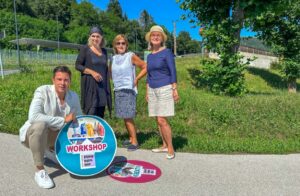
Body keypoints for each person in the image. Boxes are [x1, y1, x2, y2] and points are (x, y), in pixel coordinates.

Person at [19, 66, 82, 189]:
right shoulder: (42, 91)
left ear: (70, 81)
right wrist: (63, 119)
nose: (62, 83)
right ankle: (39, 170)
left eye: (66, 80)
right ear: (53, 80)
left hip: (55, 136)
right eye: (59, 79)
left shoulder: (73, 96)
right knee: (39, 125)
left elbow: (79, 118)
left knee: (72, 161)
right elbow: (33, 117)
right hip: (33, 136)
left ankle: (50, 150)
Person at [145, 25, 179, 160]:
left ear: (162, 38)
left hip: (165, 88)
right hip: (152, 89)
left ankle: (171, 148)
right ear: (150, 38)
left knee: (162, 119)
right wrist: (147, 91)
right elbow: (149, 74)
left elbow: (173, 71)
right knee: (157, 120)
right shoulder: (149, 56)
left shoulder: (167, 52)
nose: (155, 37)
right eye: (153, 35)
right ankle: (164, 145)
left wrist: (174, 88)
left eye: (158, 35)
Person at [110, 34, 147, 151]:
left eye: (123, 43)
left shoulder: (130, 56)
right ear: (115, 45)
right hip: (118, 89)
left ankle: (135, 141)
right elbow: (109, 73)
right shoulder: (113, 58)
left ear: (126, 45)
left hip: (128, 89)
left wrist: (136, 78)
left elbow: (145, 66)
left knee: (128, 116)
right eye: (118, 43)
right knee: (124, 116)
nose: (121, 45)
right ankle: (131, 138)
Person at [75, 26, 112, 118]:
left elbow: (105, 68)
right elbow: (78, 65)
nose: (95, 38)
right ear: (90, 37)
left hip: (102, 86)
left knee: (100, 113)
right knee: (91, 112)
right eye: (93, 36)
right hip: (91, 87)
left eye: (98, 36)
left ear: (101, 38)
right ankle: (89, 132)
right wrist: (92, 72)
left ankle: (98, 132)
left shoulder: (104, 51)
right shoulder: (85, 49)